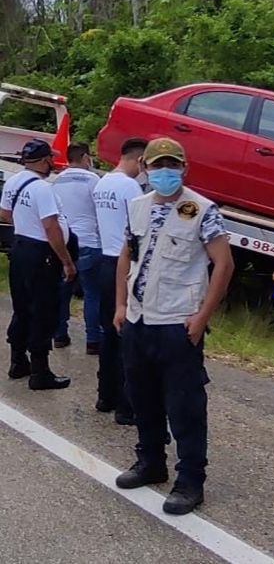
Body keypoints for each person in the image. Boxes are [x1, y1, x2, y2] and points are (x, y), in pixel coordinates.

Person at [114, 137, 234, 516]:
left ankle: (190, 481)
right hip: (138, 320)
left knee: (185, 407)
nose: (164, 172)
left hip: (177, 325)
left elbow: (224, 265)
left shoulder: (202, 209)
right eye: (157, 165)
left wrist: (202, 318)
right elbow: (126, 256)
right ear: (145, 169)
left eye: (172, 165)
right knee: (141, 399)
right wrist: (119, 304)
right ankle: (150, 461)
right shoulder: (137, 206)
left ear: (184, 168)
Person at [0, 139, 76, 390]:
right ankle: (40, 372)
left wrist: (24, 221)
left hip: (20, 246)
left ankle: (18, 361)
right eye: (50, 158)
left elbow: (4, 213)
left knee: (22, 307)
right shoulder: (43, 189)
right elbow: (51, 227)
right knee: (43, 310)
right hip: (41, 254)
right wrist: (66, 261)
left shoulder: (14, 181)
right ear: (44, 160)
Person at [93, 137, 147, 425]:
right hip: (125, 266)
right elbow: (140, 228)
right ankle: (127, 407)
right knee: (130, 338)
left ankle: (105, 395)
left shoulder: (102, 183)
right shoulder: (130, 187)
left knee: (108, 334)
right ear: (139, 160)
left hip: (105, 260)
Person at [52, 142, 102, 354]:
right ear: (84, 157)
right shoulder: (94, 180)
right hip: (89, 243)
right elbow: (100, 211)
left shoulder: (56, 181)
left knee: (62, 293)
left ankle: (60, 335)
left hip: (64, 244)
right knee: (93, 294)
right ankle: (93, 340)